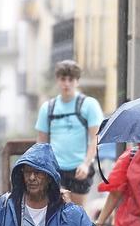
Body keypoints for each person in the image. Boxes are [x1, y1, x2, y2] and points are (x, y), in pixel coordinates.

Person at [35, 60, 104, 206]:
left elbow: (95, 138)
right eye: (63, 79)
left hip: (79, 168)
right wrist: (43, 167)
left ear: (77, 81)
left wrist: (86, 163)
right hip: (55, 168)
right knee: (54, 212)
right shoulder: (48, 108)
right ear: (58, 80)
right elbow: (41, 142)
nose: (66, 83)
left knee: (77, 213)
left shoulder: (89, 105)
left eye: (71, 79)